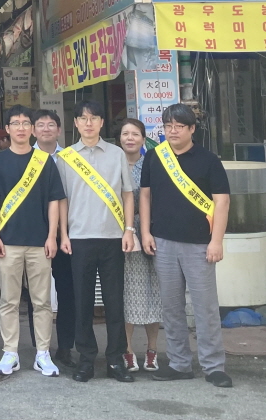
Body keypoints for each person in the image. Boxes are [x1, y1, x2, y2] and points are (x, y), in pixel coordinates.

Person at [140, 103, 232, 388]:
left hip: (199, 245)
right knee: (171, 307)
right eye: (168, 126)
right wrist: (145, 232)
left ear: (192, 129)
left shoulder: (208, 160)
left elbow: (222, 202)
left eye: (179, 126)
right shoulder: (154, 157)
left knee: (205, 308)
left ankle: (213, 366)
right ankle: (179, 363)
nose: (172, 131)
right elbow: (145, 196)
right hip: (163, 242)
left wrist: (216, 240)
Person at [0, 105, 65, 378]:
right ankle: (10, 352)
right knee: (9, 301)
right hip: (8, 243)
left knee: (42, 302)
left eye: (25, 123)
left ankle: (43, 353)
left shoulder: (45, 161)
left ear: (32, 128)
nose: (20, 128)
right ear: (7, 129)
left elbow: (54, 201)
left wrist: (51, 236)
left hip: (40, 242)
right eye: (15, 123)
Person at [57, 100, 136, 383]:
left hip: (113, 238)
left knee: (115, 302)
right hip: (79, 239)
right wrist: (63, 234)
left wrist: (129, 230)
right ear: (76, 123)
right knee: (82, 303)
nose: (88, 123)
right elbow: (62, 200)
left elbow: (127, 193)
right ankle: (86, 360)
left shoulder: (116, 154)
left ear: (102, 122)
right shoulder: (66, 157)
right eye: (83, 118)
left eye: (94, 118)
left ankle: (116, 360)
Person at [31, 109, 76, 368]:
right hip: (33, 234)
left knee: (67, 290)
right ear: (33, 130)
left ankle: (66, 346)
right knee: (35, 293)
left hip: (65, 235)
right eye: (41, 125)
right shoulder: (25, 157)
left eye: (51, 125)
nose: (46, 129)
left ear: (59, 130)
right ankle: (40, 347)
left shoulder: (70, 158)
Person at [118, 118, 161, 373]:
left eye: (135, 134)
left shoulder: (152, 164)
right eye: (125, 134)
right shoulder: (112, 163)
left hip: (149, 233)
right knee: (126, 293)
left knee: (153, 292)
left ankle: (152, 349)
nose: (130, 138)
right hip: (122, 234)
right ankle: (128, 350)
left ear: (144, 139)